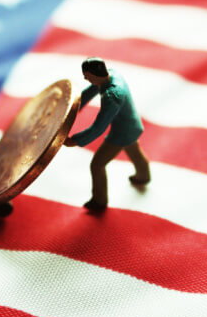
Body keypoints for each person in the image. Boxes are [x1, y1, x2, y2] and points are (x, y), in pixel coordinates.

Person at [64, 57, 150, 212]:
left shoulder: (112, 95)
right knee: (134, 150)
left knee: (97, 164)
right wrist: (73, 108)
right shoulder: (111, 75)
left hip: (122, 132)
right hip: (131, 125)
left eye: (87, 75)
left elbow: (98, 127)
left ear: (95, 74)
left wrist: (75, 141)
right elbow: (90, 91)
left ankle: (99, 200)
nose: (85, 78)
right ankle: (143, 176)